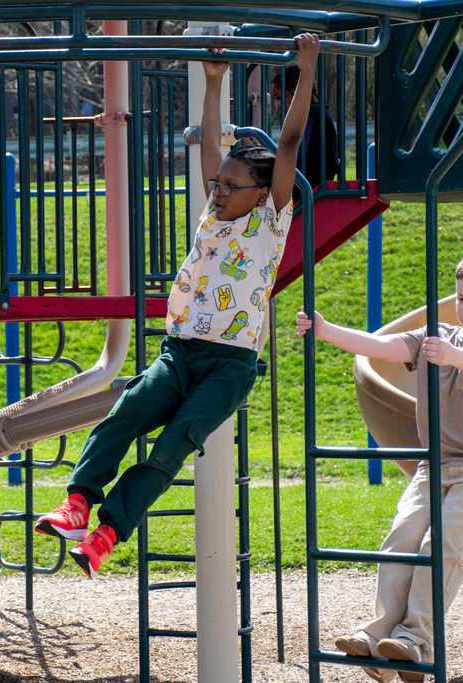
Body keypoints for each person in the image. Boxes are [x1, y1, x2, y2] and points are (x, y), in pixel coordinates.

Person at [34, 33, 322, 579]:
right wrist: (212, 86)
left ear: (261, 193)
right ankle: (77, 503)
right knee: (125, 413)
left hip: (228, 365)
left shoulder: (270, 221)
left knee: (170, 448)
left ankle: (107, 533)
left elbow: (287, 146)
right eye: (217, 183)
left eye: (232, 185)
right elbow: (211, 149)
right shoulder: (215, 215)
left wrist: (305, 72)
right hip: (179, 351)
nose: (218, 190)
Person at [296, 249, 463, 683]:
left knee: (441, 541)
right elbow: (379, 347)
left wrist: (452, 357)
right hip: (434, 467)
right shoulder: (434, 337)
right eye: (462, 299)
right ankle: (380, 636)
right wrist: (325, 330)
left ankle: (416, 641)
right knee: (401, 539)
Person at [270, 64, 340, 194]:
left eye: (280, 97)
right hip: (310, 186)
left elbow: (295, 155)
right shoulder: (318, 112)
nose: (278, 106)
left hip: (307, 189)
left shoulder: (311, 115)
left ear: (297, 90)